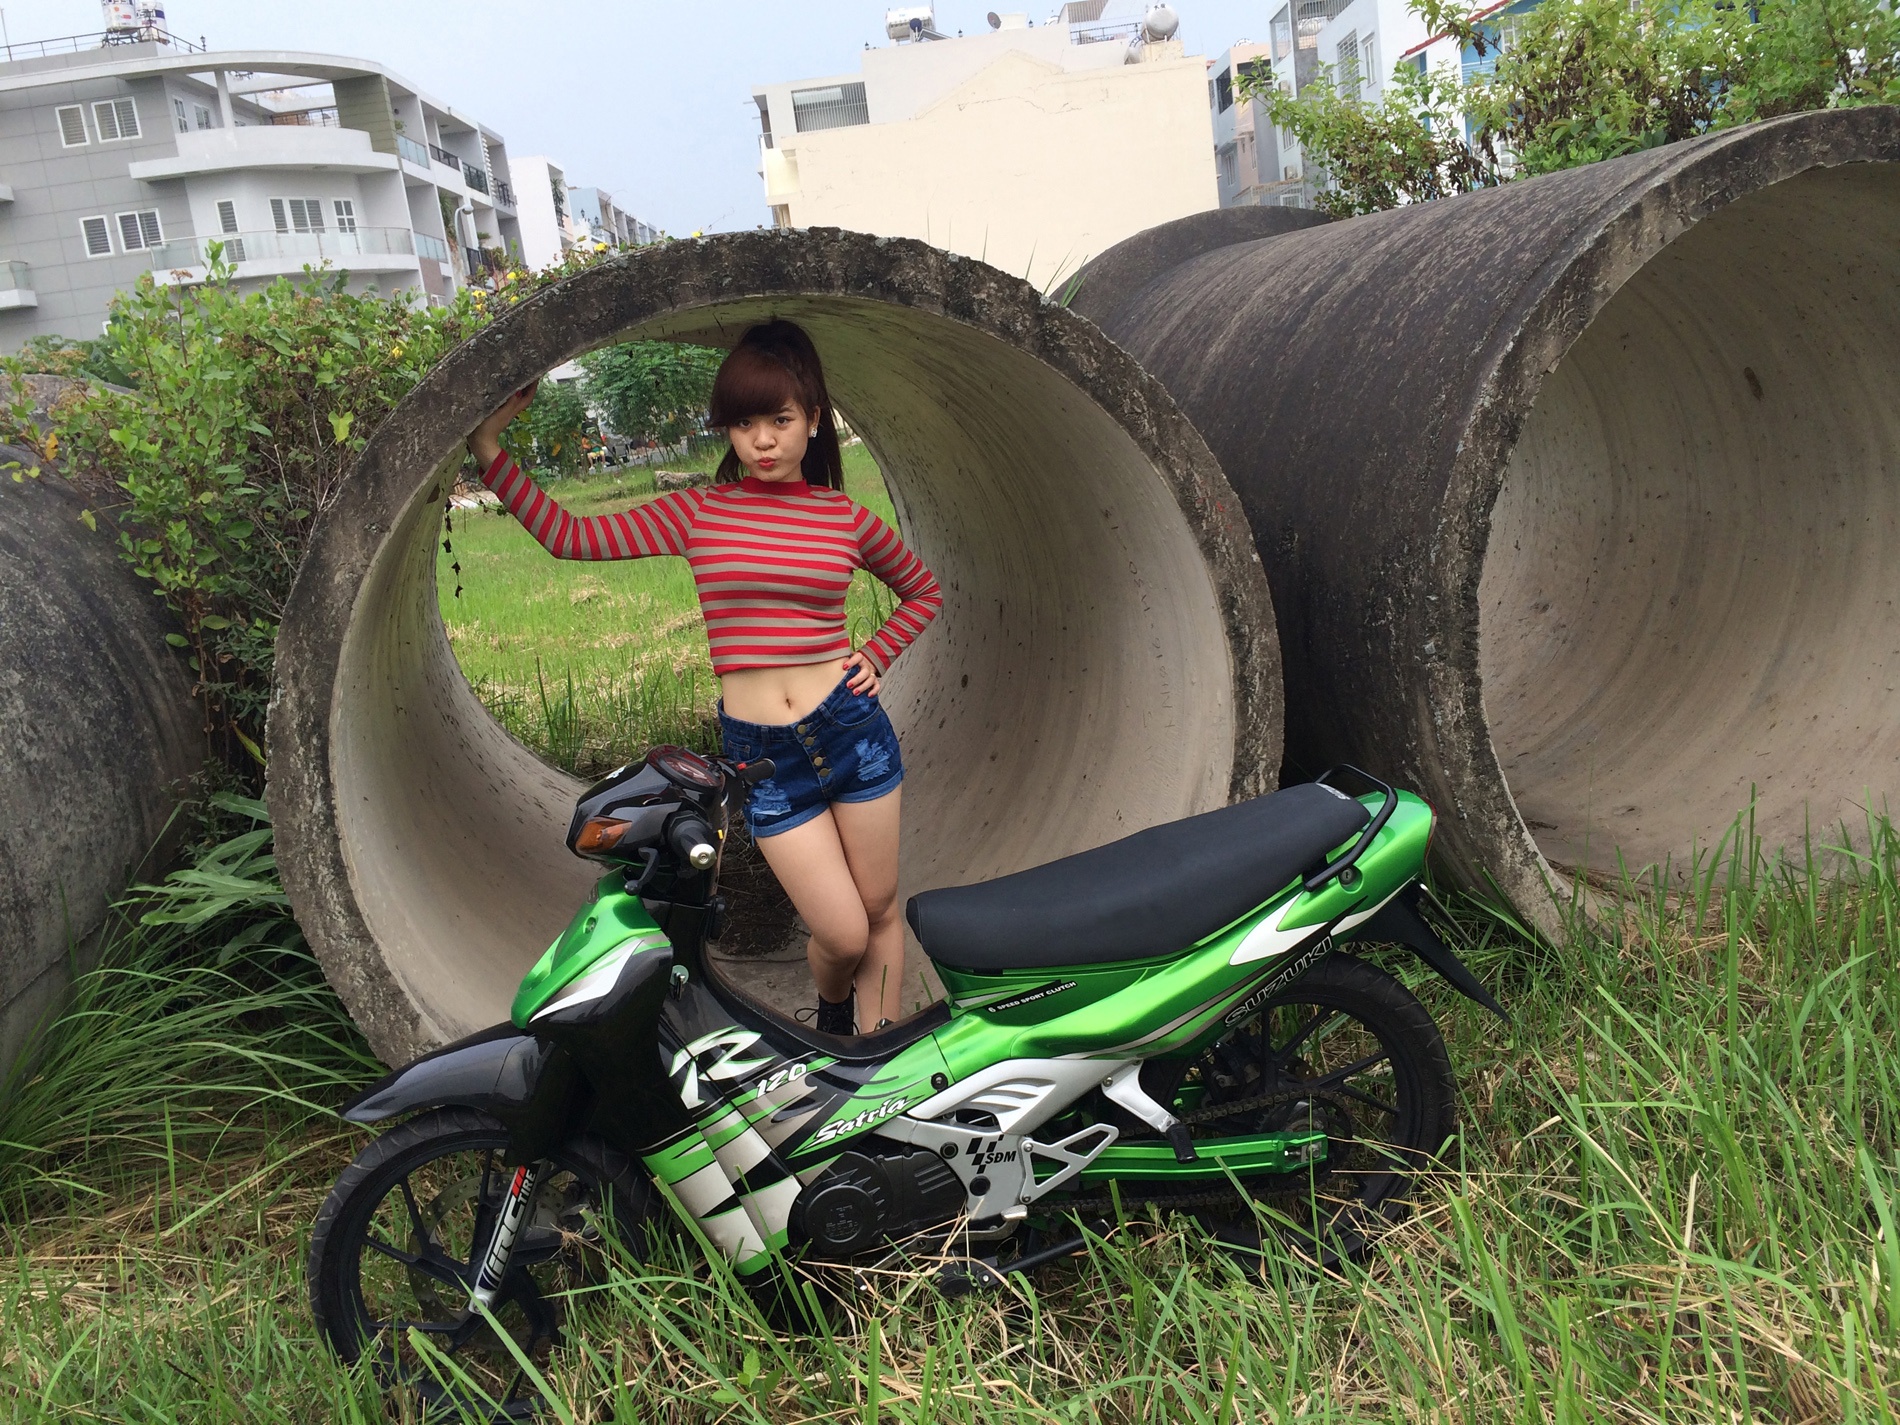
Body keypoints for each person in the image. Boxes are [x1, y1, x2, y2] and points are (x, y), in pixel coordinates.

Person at [466, 322, 940, 1035]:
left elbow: (923, 590)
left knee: (878, 911)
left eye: (779, 420)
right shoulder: (701, 512)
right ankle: (835, 1011)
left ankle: (874, 1067)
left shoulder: (842, 517)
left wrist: (877, 653)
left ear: (813, 419)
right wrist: (487, 449)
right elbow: (571, 537)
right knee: (842, 933)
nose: (762, 440)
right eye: (744, 424)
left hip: (852, 731)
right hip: (766, 757)